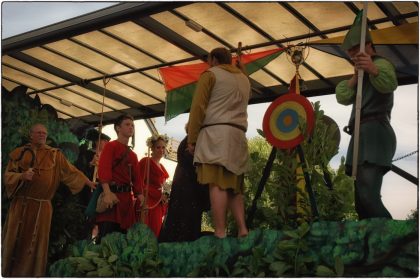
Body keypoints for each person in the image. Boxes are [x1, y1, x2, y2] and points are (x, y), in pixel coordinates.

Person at [2, 123, 96, 277]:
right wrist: (22, 176)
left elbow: (71, 172)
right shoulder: (19, 154)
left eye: (44, 133)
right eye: (38, 133)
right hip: (20, 206)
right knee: (16, 242)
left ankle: (33, 274)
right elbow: (7, 176)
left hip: (43, 208)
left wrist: (88, 182)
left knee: (36, 245)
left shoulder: (55, 155)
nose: (42, 135)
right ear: (30, 135)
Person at [335, 16, 397, 220]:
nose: (352, 54)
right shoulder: (358, 74)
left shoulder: (382, 64)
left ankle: (395, 241)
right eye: (350, 51)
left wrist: (372, 69)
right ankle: (371, 245)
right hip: (360, 136)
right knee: (361, 202)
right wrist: (355, 77)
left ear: (368, 45)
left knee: (368, 195)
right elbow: (341, 96)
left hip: (375, 132)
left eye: (355, 49)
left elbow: (389, 84)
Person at [187, 47, 250, 238]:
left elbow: (198, 106)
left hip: (216, 133)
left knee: (217, 183)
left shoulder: (211, 74)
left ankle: (220, 231)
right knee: (234, 186)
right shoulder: (244, 79)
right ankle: (242, 229)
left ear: (213, 59)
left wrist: (192, 138)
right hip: (238, 136)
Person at [159, 124, 210, 243]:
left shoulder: (187, 142)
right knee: (186, 225)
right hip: (189, 193)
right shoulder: (191, 143)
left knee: (179, 224)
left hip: (185, 192)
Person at [95, 114, 143, 241]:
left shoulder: (133, 155)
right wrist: (107, 193)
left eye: (132, 125)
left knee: (123, 240)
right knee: (107, 239)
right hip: (111, 198)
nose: (131, 127)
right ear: (118, 128)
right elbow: (103, 170)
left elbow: (137, 179)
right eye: (127, 124)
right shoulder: (111, 146)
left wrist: (141, 196)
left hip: (126, 202)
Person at [138, 134, 170, 237]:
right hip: (147, 204)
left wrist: (165, 195)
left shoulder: (161, 167)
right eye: (158, 147)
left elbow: (163, 186)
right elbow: (138, 182)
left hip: (158, 205)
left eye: (163, 147)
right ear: (152, 148)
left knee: (155, 234)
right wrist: (156, 194)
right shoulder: (146, 161)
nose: (161, 150)